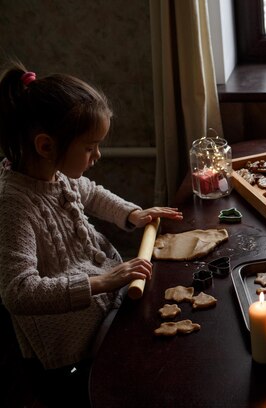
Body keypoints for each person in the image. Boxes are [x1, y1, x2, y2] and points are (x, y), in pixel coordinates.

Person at [0, 61, 183, 407]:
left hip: (102, 309)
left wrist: (132, 213)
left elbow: (92, 193)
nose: (97, 155)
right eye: (90, 147)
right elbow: (17, 291)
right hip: (68, 349)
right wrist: (104, 281)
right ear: (45, 146)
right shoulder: (14, 204)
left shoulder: (55, 173)